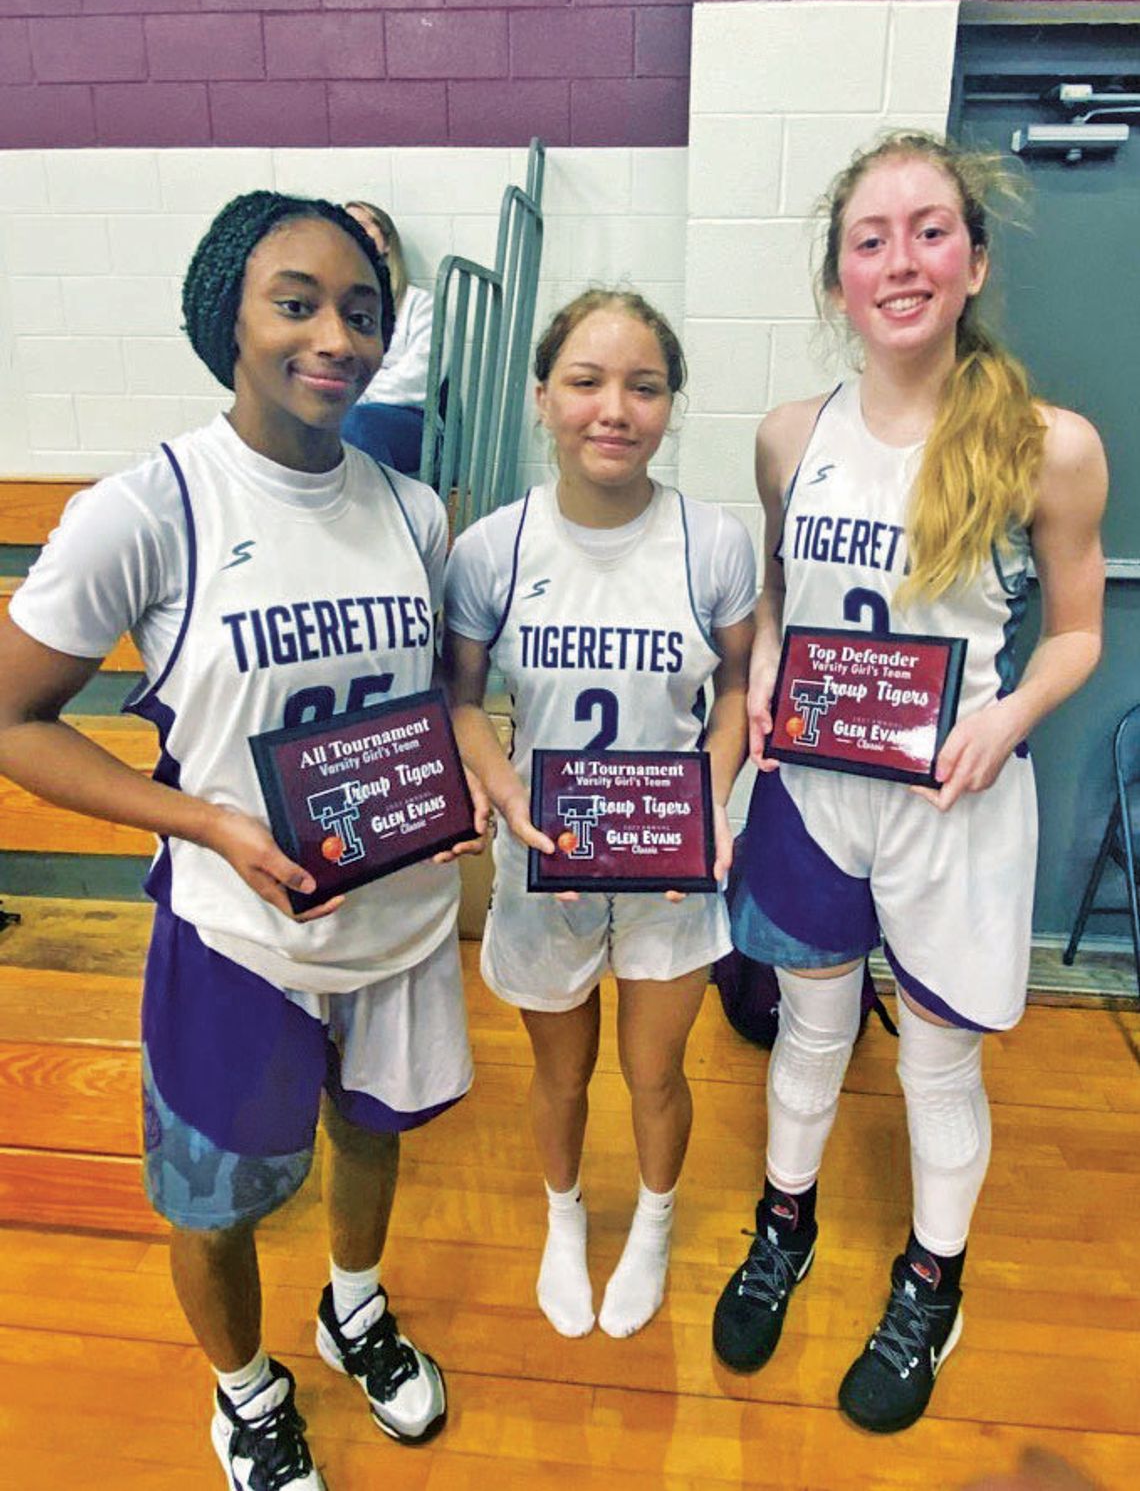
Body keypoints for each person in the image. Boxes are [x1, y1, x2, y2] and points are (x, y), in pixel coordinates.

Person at [0, 191, 486, 1490]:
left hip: (396, 923)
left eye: (364, 311)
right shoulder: (149, 508)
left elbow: (432, 697)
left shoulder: (414, 511)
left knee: (373, 1134)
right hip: (239, 938)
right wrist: (204, 818)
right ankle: (245, 1390)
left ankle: (355, 1308)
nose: (336, 335)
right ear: (228, 312)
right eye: (299, 301)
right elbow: (13, 718)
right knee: (214, 1197)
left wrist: (454, 780)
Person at [711, 132, 1107, 1432]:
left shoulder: (1050, 445)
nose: (900, 260)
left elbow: (1076, 633)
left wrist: (1013, 718)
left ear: (974, 260)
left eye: (930, 231)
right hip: (817, 791)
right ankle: (786, 1226)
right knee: (811, 1031)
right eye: (870, 239)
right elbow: (779, 601)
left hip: (958, 797)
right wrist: (766, 672)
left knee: (938, 1065)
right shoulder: (788, 437)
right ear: (838, 281)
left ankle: (933, 1281)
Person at [443, 289, 755, 1340]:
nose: (612, 407)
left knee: (656, 1070)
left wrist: (707, 804)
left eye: (643, 385)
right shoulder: (491, 547)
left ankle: (656, 1224)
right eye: (585, 381)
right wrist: (503, 782)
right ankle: (564, 1219)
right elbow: (459, 701)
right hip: (547, 855)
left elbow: (742, 695)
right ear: (543, 398)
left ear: (670, 405)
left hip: (670, 861)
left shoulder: (712, 544)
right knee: (560, 1070)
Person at [340, 201, 435, 475]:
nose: (353, 234)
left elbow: (420, 380)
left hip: (413, 423)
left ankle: (382, 515)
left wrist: (356, 393)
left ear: (387, 241)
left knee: (357, 424)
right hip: (347, 414)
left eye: (362, 226)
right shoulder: (338, 310)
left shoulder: (420, 304)